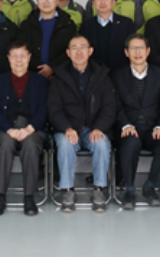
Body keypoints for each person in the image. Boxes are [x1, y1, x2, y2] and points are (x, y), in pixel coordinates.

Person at [48, 35, 117, 213]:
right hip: (68, 128)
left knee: (101, 143)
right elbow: (54, 109)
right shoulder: (59, 77)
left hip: (93, 127)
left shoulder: (102, 75)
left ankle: (98, 189)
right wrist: (67, 128)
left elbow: (110, 107)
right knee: (65, 144)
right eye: (74, 48)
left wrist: (99, 128)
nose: (79, 52)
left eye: (82, 47)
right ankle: (68, 191)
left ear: (90, 51)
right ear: (68, 53)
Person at [112, 34, 160, 209]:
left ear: (148, 51)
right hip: (128, 127)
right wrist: (125, 125)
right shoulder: (117, 75)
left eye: (141, 48)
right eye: (133, 48)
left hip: (153, 127)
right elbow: (115, 106)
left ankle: (150, 187)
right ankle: (129, 189)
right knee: (130, 144)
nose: (137, 52)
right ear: (126, 52)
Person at [0, 41, 49, 216]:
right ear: (8, 58)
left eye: (22, 56)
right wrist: (9, 129)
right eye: (14, 56)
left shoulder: (40, 81)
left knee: (30, 145)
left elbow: (45, 109)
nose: (19, 60)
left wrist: (30, 128)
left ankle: (29, 197)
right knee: (5, 145)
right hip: (6, 128)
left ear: (29, 58)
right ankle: (0, 196)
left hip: (33, 128)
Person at [17, 0, 77, 79]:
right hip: (32, 74)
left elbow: (72, 49)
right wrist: (40, 69)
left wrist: (52, 68)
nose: (46, 2)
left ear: (57, 0)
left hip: (61, 75)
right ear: (37, 1)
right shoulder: (27, 24)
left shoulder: (68, 24)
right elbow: (21, 49)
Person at [80, 0, 135, 72]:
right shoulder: (86, 26)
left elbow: (131, 49)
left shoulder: (126, 23)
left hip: (121, 72)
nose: (102, 2)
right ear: (93, 3)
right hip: (95, 73)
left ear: (113, 2)